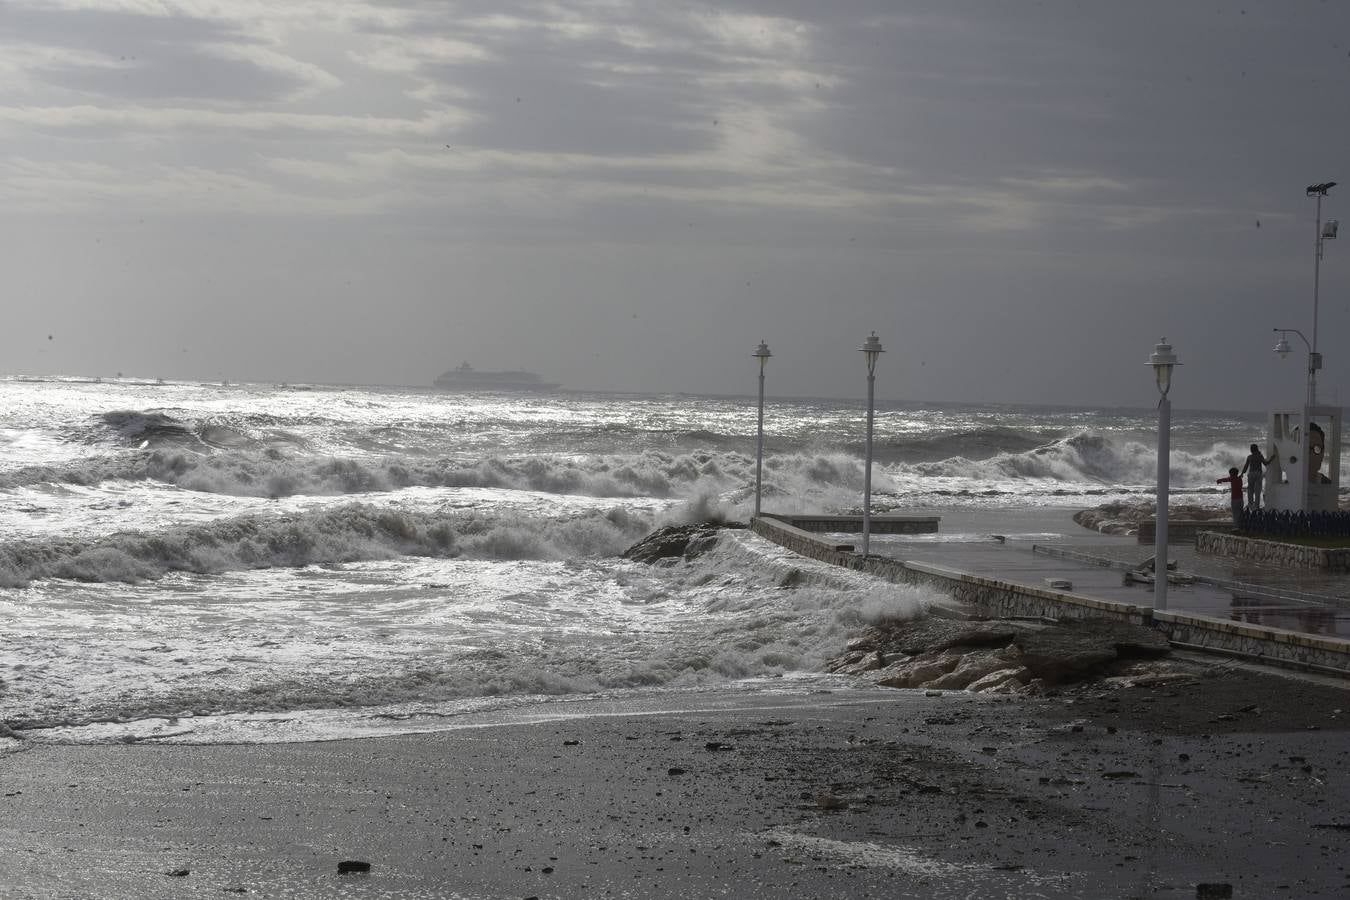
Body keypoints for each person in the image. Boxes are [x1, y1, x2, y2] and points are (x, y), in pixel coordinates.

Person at [1240, 443, 1274, 510]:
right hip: (1258, 473)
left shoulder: (1249, 457)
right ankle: (1256, 506)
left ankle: (1250, 504)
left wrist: (1242, 473)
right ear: (1257, 449)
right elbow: (1266, 463)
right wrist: (1271, 459)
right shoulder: (1259, 456)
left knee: (1250, 490)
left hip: (1251, 474)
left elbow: (1246, 466)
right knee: (1257, 491)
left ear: (1251, 450)